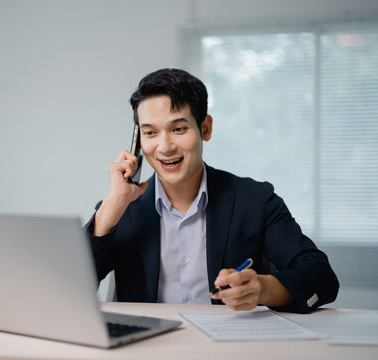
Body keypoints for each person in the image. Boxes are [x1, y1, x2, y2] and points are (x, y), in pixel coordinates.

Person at [85, 68, 339, 313]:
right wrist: (114, 203)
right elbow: (71, 285)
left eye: (178, 129)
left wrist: (263, 288)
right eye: (150, 133)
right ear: (139, 140)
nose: (164, 147)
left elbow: (321, 276)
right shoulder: (120, 209)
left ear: (205, 128)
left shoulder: (255, 200)